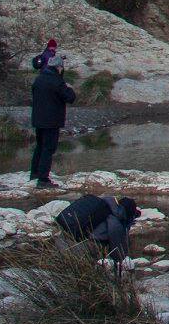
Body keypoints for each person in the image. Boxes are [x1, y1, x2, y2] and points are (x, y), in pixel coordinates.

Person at [28, 48, 77, 187]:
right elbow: (70, 97)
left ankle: (34, 173)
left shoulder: (39, 79)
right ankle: (43, 179)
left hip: (38, 119)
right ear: (58, 67)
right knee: (48, 149)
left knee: (40, 146)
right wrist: (69, 87)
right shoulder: (57, 81)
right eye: (61, 67)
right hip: (51, 120)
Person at [55, 194, 139, 261]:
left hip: (61, 239)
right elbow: (118, 253)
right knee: (98, 245)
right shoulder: (115, 222)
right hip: (75, 250)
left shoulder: (100, 205)